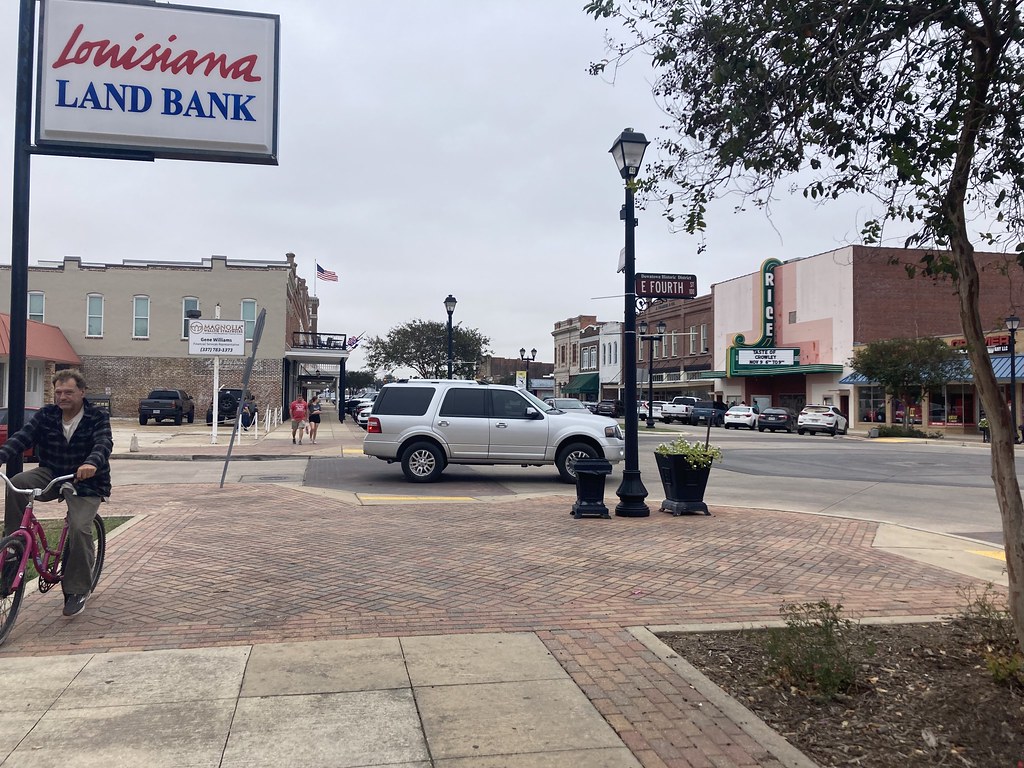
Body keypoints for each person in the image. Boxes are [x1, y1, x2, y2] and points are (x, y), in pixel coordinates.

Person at [0, 369, 112, 618]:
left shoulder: (97, 416)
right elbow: (23, 437)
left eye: (69, 392)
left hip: (87, 480)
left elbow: (103, 443)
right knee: (18, 483)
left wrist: (91, 463)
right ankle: (13, 548)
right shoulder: (47, 415)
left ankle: (77, 589)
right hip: (52, 472)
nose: (63, 397)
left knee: (80, 527)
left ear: (82, 392)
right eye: (59, 392)